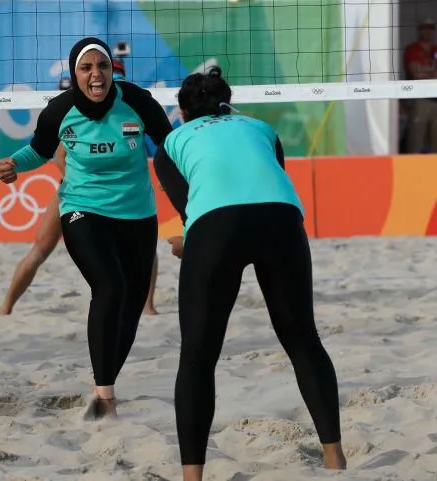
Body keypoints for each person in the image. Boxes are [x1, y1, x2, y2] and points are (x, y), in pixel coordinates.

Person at [153, 66, 347, 480]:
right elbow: (264, 183)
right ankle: (335, 459)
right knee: (303, 340)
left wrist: (189, 244)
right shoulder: (261, 128)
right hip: (281, 219)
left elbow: (196, 213)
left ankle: (192, 477)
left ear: (183, 111)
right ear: (227, 103)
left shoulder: (172, 141)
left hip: (217, 228)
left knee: (197, 357)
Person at [0, 37, 172, 419]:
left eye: (102, 67)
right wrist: (14, 164)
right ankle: (104, 395)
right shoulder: (60, 109)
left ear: (112, 71)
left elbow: (170, 145)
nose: (96, 75)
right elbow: (39, 150)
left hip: (137, 213)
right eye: (86, 68)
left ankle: (106, 377)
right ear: (75, 74)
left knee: (131, 305)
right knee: (109, 287)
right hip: (82, 207)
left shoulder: (137, 102)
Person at [0, 59, 160, 316]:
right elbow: (57, 156)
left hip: (123, 193)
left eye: (107, 71)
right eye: (89, 70)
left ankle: (148, 305)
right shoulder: (76, 108)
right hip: (78, 192)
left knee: (144, 248)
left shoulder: (128, 105)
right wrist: (83, 183)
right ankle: (6, 306)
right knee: (40, 250)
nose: (100, 78)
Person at [403, 17, 437, 153]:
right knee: (416, 142)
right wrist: (432, 72)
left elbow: (421, 72)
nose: (427, 31)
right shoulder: (412, 49)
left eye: (430, 28)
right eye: (424, 28)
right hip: (419, 99)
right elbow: (416, 73)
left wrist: (425, 71)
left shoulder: (435, 49)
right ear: (419, 30)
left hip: (435, 99)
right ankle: (411, 172)